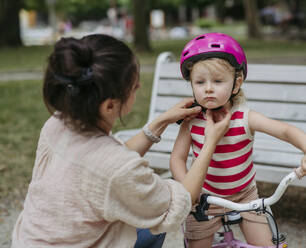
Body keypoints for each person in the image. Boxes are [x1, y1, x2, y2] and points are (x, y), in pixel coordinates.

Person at [11, 34, 232, 248]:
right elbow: (177, 204)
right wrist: (210, 141)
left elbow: (104, 167)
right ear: (109, 105)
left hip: (31, 240)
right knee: (152, 226)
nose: (139, 89)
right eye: (135, 87)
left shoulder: (57, 123)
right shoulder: (116, 168)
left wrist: (160, 122)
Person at [170, 32, 306, 247]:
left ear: (236, 83)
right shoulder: (190, 120)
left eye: (218, 81)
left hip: (245, 195)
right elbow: (177, 158)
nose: (208, 88)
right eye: (200, 82)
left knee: (267, 244)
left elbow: (285, 131)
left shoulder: (245, 117)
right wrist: (187, 190)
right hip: (204, 198)